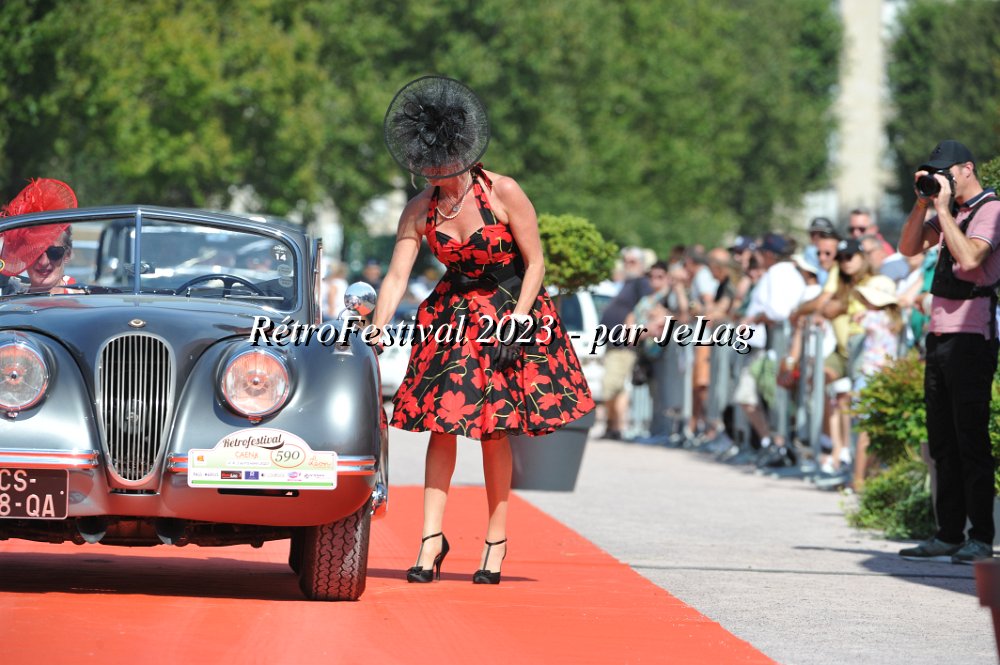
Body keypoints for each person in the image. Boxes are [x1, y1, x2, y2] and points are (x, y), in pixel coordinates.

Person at [373, 76, 595, 584]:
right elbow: (396, 277)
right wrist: (378, 327)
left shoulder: (503, 191)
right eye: (427, 165)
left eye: (442, 163)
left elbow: (536, 263)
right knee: (442, 425)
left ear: (462, 152)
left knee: (494, 431)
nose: (436, 172)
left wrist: (519, 320)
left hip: (509, 309)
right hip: (452, 315)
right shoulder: (420, 209)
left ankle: (496, 540)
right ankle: (431, 539)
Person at [897, 139, 1000, 564]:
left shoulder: (991, 210)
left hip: (971, 338)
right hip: (939, 337)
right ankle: (949, 533)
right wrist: (923, 203)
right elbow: (907, 248)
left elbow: (971, 259)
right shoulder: (948, 212)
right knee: (942, 440)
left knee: (970, 438)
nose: (942, 179)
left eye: (947, 172)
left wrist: (941, 210)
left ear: (967, 169)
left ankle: (981, 536)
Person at [596, 246, 652, 439]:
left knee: (610, 385)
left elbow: (647, 306)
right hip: (614, 342)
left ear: (642, 264)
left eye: (633, 261)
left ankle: (615, 426)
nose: (628, 265)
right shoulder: (628, 283)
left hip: (623, 344)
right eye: (626, 261)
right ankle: (614, 427)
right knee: (617, 388)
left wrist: (633, 326)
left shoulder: (640, 283)